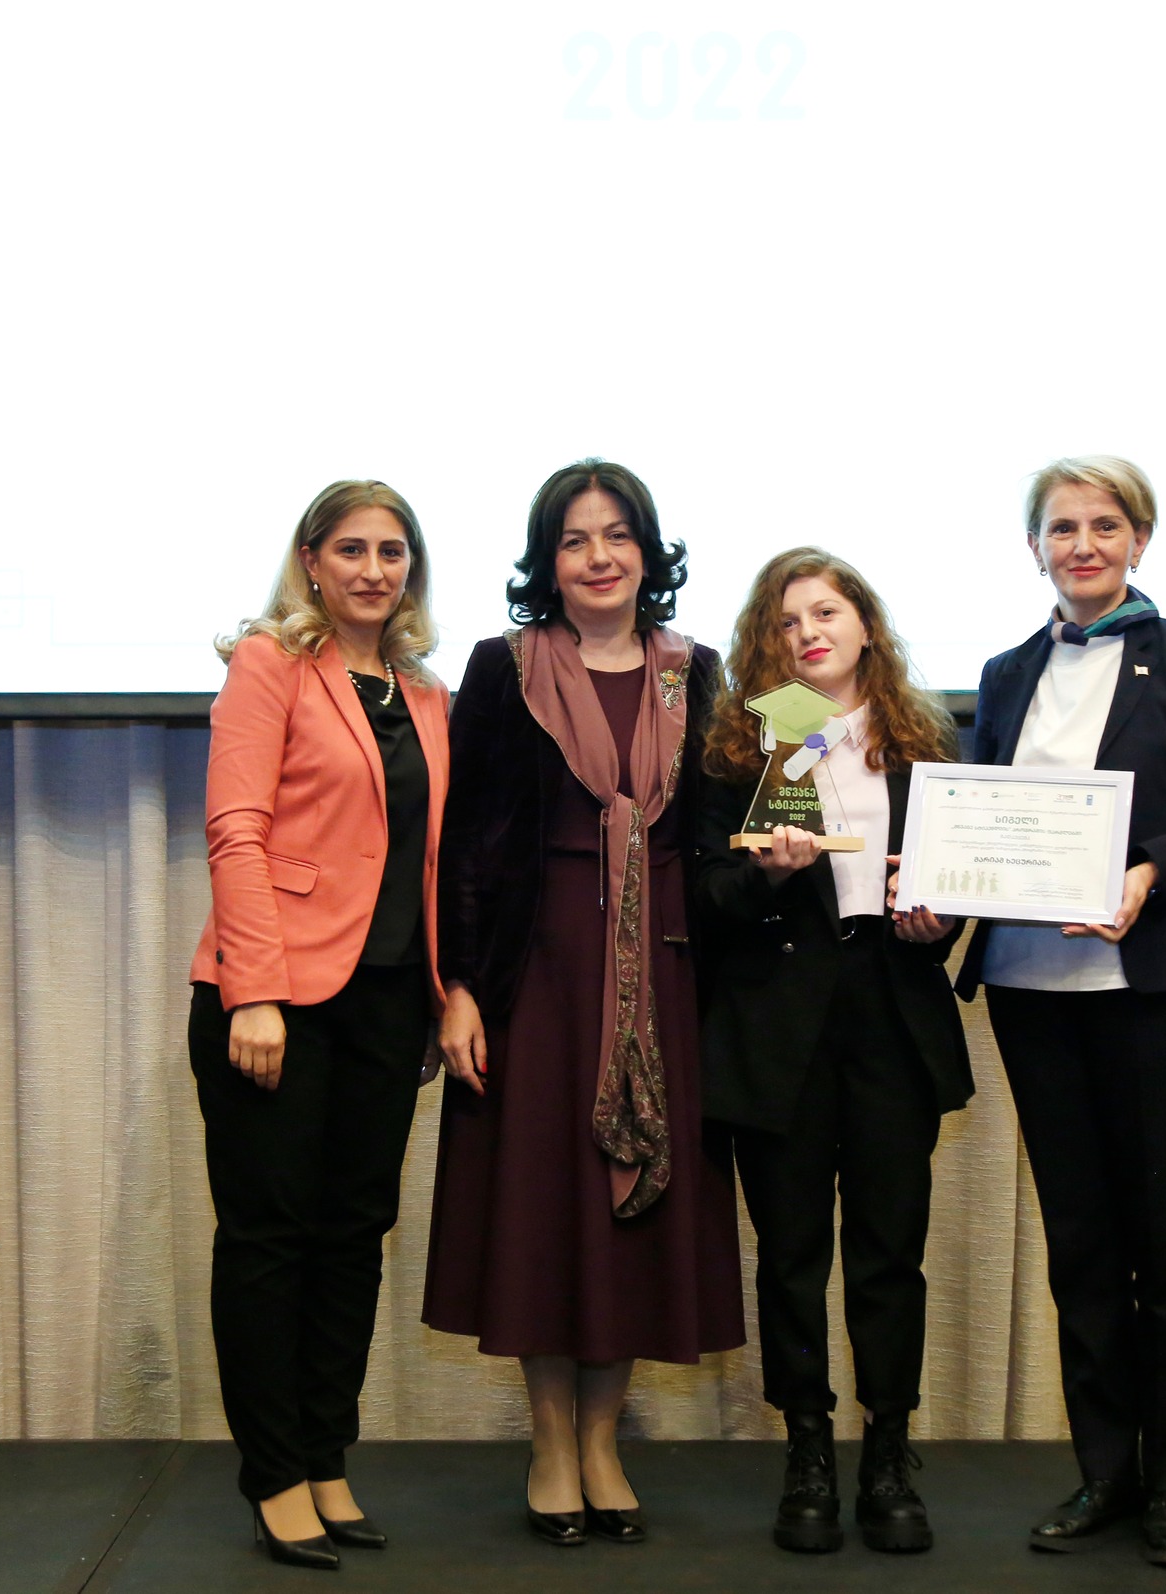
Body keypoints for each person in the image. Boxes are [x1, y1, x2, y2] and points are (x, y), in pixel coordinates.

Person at [956, 457, 1166, 1569]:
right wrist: (936, 875)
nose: (1083, 544)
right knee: (1081, 1248)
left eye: (1104, 524)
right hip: (1030, 994)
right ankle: (1105, 1471)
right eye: (1062, 528)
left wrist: (1148, 872)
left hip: (1160, 993)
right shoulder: (1005, 672)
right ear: (1034, 548)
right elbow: (983, 819)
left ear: (1139, 539)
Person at [422, 459, 744, 1547]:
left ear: (649, 554)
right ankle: (550, 1443)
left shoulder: (697, 674)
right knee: (544, 1210)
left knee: (634, 1218)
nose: (598, 557)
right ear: (546, 561)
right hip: (539, 976)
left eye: (617, 536)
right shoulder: (503, 666)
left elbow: (749, 810)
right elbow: (465, 841)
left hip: (663, 975)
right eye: (574, 539)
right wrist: (460, 986)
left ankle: (604, 1443)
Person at [186, 480, 451, 1570]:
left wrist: (443, 992)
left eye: (392, 551)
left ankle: (327, 1458)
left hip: (388, 1006)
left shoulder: (425, 692)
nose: (373, 570)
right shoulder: (268, 664)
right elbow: (235, 831)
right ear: (310, 561)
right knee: (269, 1241)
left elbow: (426, 860)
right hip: (276, 1002)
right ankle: (274, 1475)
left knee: (352, 1239)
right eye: (351, 549)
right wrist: (253, 989)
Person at [692, 549, 974, 1555]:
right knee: (791, 1257)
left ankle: (889, 1453)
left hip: (890, 1014)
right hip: (779, 1028)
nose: (807, 632)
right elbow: (701, 899)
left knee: (890, 1254)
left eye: (825, 612)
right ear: (763, 645)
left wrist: (936, 923)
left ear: (865, 625)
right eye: (785, 621)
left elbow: (955, 888)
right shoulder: (739, 752)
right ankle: (806, 1453)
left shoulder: (924, 744)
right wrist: (766, 876)